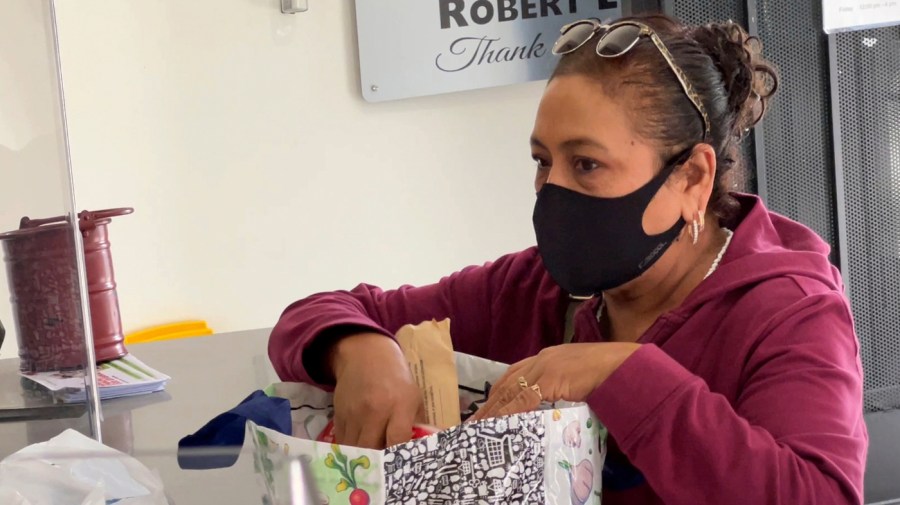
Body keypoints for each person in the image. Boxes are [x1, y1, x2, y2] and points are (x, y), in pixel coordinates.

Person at [269, 14, 867, 505]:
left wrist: (619, 373)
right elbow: (320, 313)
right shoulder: (537, 287)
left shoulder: (790, 313)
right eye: (541, 161)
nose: (551, 192)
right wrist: (361, 349)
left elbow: (818, 495)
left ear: (692, 177)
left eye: (586, 164)